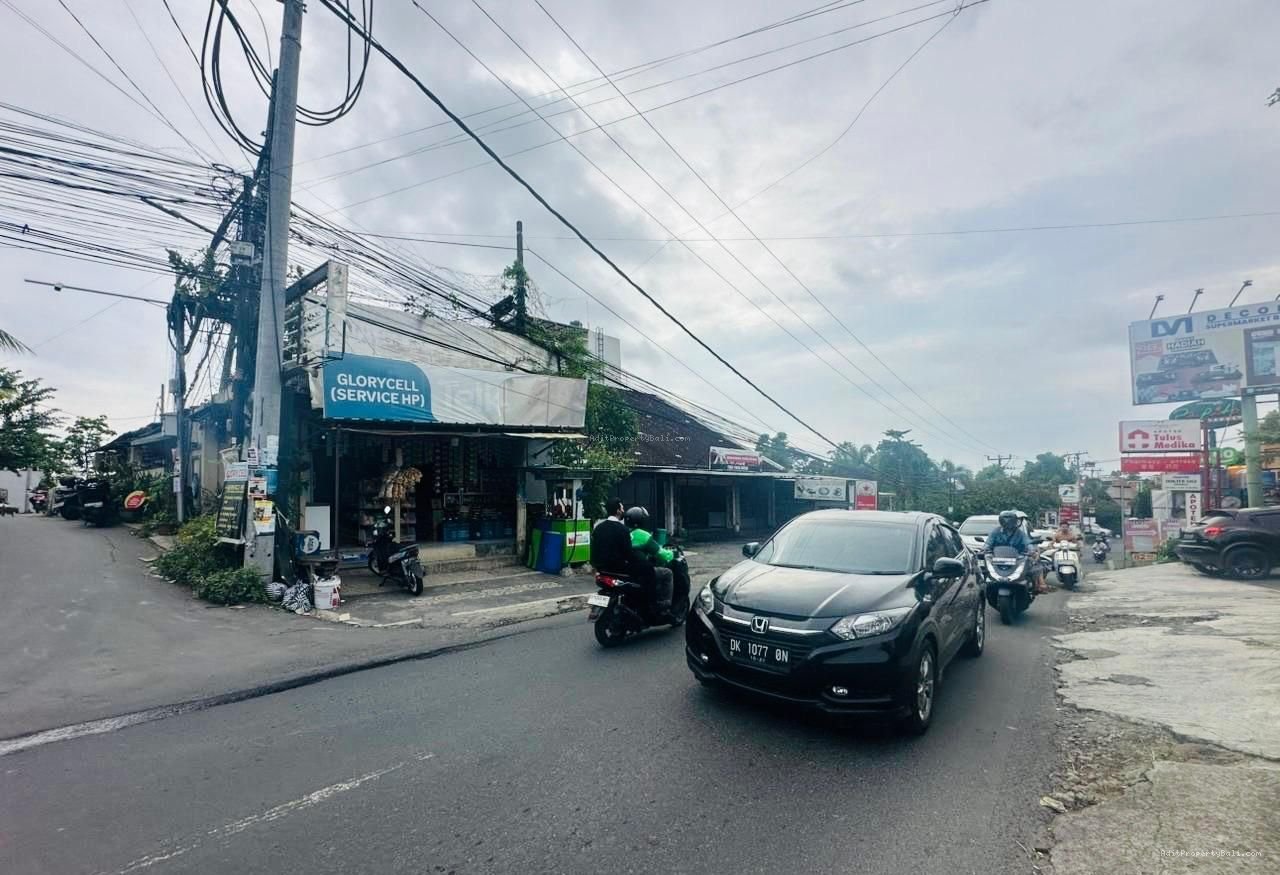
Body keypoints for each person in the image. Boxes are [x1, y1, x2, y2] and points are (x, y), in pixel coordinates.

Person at [624, 506, 674, 614]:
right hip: (641, 570)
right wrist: (671, 554)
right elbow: (661, 554)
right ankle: (664, 602)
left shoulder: (624, 533)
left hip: (626, 569)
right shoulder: (643, 535)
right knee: (668, 573)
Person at [986, 510, 1048, 594]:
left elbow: (1027, 543)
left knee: (1036, 566)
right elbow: (988, 543)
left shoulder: (1020, 533)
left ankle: (1038, 585)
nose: (1007, 523)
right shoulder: (995, 532)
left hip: (1018, 557)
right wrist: (984, 549)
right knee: (984, 571)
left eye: (1009, 520)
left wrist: (1032, 551)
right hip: (998, 558)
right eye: (1005, 520)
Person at [589, 497, 630, 575]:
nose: (623, 511)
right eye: (622, 508)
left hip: (600, 568)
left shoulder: (598, 528)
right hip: (618, 568)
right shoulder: (623, 529)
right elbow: (628, 553)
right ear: (618, 511)